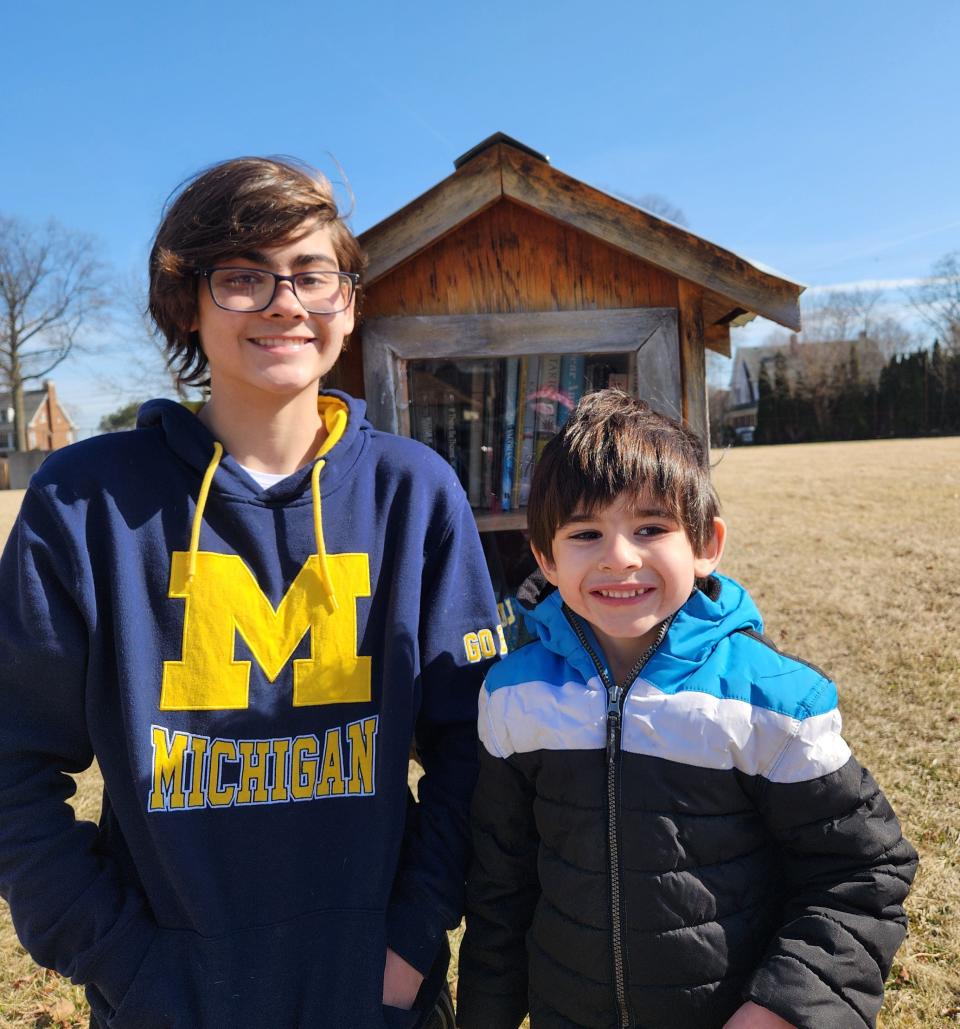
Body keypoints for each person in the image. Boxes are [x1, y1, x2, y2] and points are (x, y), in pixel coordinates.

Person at [0, 157, 504, 1029]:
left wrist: (411, 940)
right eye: (243, 278)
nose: (284, 303)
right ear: (186, 304)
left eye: (312, 275)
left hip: (376, 996)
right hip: (169, 999)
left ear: (348, 300)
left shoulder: (414, 492)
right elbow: (10, 766)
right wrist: (127, 964)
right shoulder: (83, 501)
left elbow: (476, 751)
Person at [456, 389, 917, 1029]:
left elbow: (861, 872)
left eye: (650, 527)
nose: (619, 555)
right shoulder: (513, 697)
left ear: (706, 544)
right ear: (545, 558)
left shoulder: (773, 704)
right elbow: (500, 890)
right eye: (585, 533)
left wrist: (780, 1009)